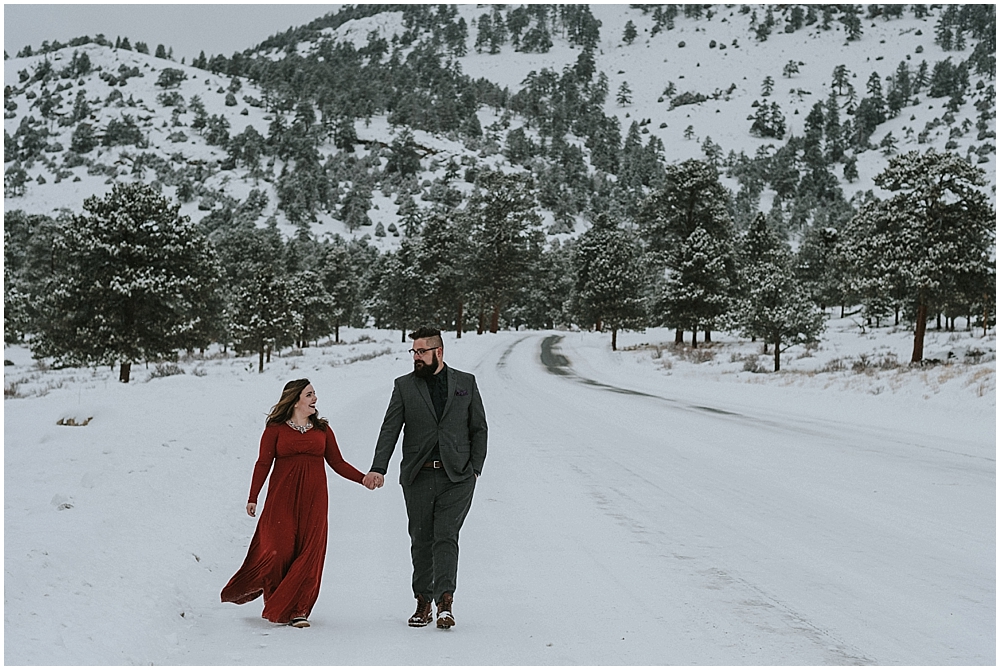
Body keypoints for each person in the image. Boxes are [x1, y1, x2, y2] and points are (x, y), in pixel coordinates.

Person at [221, 379, 374, 628]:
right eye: (309, 394)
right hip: (281, 499)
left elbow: (337, 462)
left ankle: (298, 609)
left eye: (314, 394)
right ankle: (275, 598)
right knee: (277, 550)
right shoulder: (275, 429)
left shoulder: (322, 430)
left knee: (309, 552)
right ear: (295, 400)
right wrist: (252, 496)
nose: (315, 399)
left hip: (314, 500)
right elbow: (262, 463)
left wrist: (363, 478)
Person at [363, 327, 488, 630]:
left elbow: (479, 428)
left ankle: (445, 603)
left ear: (438, 352)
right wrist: (379, 467)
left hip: (456, 476)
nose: (416, 357)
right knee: (421, 538)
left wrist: (474, 468)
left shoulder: (465, 383)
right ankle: (423, 601)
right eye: (414, 352)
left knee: (446, 535)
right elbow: (389, 428)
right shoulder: (404, 386)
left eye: (421, 351)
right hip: (418, 475)